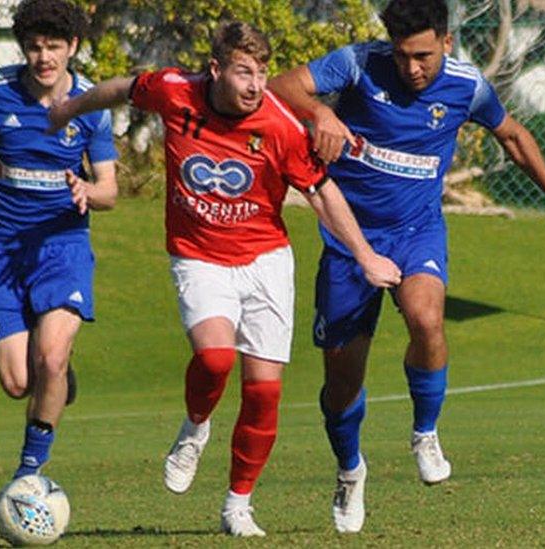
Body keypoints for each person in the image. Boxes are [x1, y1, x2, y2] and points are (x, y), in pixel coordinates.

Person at [49, 21, 401, 537]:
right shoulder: (176, 92)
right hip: (200, 256)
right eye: (243, 72)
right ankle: (194, 429)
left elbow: (323, 192)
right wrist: (66, 109)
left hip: (265, 262)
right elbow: (122, 87)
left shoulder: (279, 125)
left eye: (261, 72)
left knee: (263, 393)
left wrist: (366, 255)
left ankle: (238, 503)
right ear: (215, 70)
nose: (256, 84)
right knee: (214, 358)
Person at [267, 0, 545, 533]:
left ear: (445, 40)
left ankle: (424, 432)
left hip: (417, 231)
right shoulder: (355, 63)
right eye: (401, 57)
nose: (411, 68)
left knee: (427, 318)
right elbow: (283, 85)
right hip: (349, 238)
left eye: (422, 56)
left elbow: (512, 136)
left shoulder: (467, 85)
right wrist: (320, 111)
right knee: (342, 381)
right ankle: (350, 471)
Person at [0, 0, 118, 481]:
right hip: (0, 250)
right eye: (35, 47)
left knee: (51, 356)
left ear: (72, 47)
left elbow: (110, 189)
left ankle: (29, 475)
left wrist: (88, 191)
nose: (44, 58)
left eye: (54, 47)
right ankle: (53, 376)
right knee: (19, 382)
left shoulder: (91, 106)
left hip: (62, 249)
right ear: (23, 48)